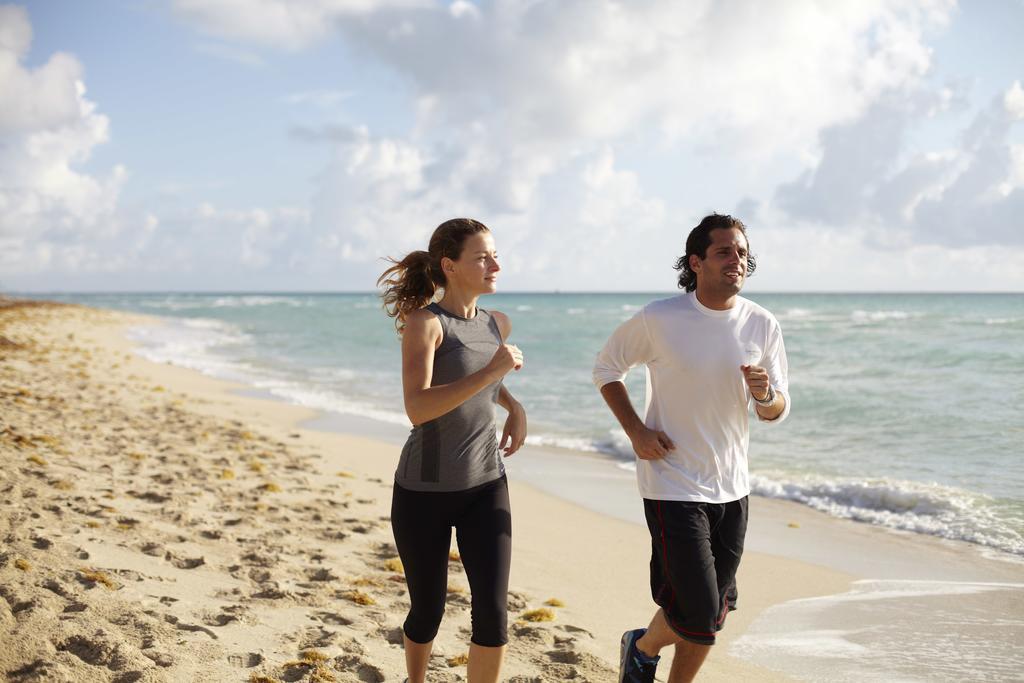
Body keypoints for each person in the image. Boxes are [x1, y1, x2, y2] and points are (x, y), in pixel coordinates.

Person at [592, 213, 790, 683]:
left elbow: (777, 409)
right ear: (696, 262)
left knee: (706, 614)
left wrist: (764, 395)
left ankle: (640, 649)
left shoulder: (762, 324)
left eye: (742, 253)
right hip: (672, 482)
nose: (736, 260)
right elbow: (606, 369)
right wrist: (636, 431)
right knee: (699, 616)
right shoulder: (661, 317)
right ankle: (644, 652)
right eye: (725, 251)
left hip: (732, 487)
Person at [377, 218, 527, 683]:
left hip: (486, 482)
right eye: (483, 257)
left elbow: (483, 384)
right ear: (450, 266)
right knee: (428, 611)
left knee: (493, 616)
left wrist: (514, 404)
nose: (495, 265)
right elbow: (418, 406)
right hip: (425, 490)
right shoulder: (425, 324)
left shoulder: (496, 324)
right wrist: (492, 374)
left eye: (495, 254)